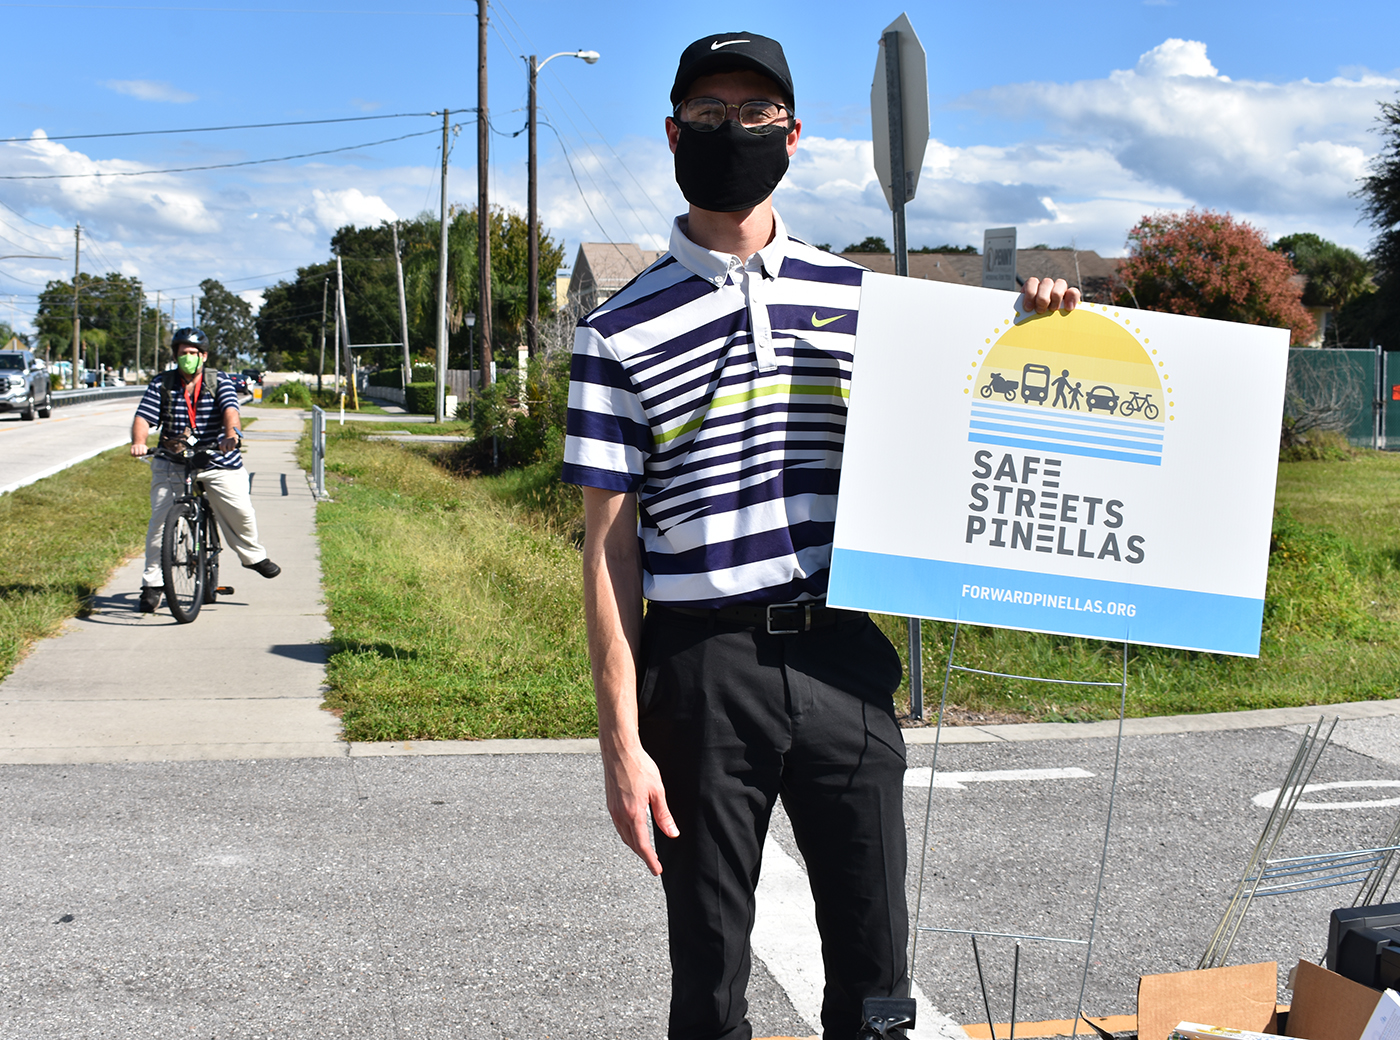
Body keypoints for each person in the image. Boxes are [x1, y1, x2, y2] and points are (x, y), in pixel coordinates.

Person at [564, 32, 1079, 1040]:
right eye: (706, 112)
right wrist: (619, 742)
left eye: (753, 113)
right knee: (708, 977)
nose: (729, 130)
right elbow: (608, 552)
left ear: (791, 137)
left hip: (844, 651)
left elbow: (964, 412)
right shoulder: (613, 330)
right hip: (702, 667)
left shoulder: (858, 301)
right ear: (671, 132)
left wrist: (1039, 327)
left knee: (877, 970)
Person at [130, 327, 280, 613]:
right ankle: (153, 585)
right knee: (159, 522)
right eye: (183, 353)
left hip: (216, 458)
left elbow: (230, 411)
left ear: (204, 356)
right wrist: (139, 442)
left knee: (241, 511)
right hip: (172, 459)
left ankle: (253, 557)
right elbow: (143, 416)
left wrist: (231, 436)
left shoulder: (218, 381)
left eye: (193, 353)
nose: (188, 358)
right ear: (175, 356)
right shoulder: (163, 383)